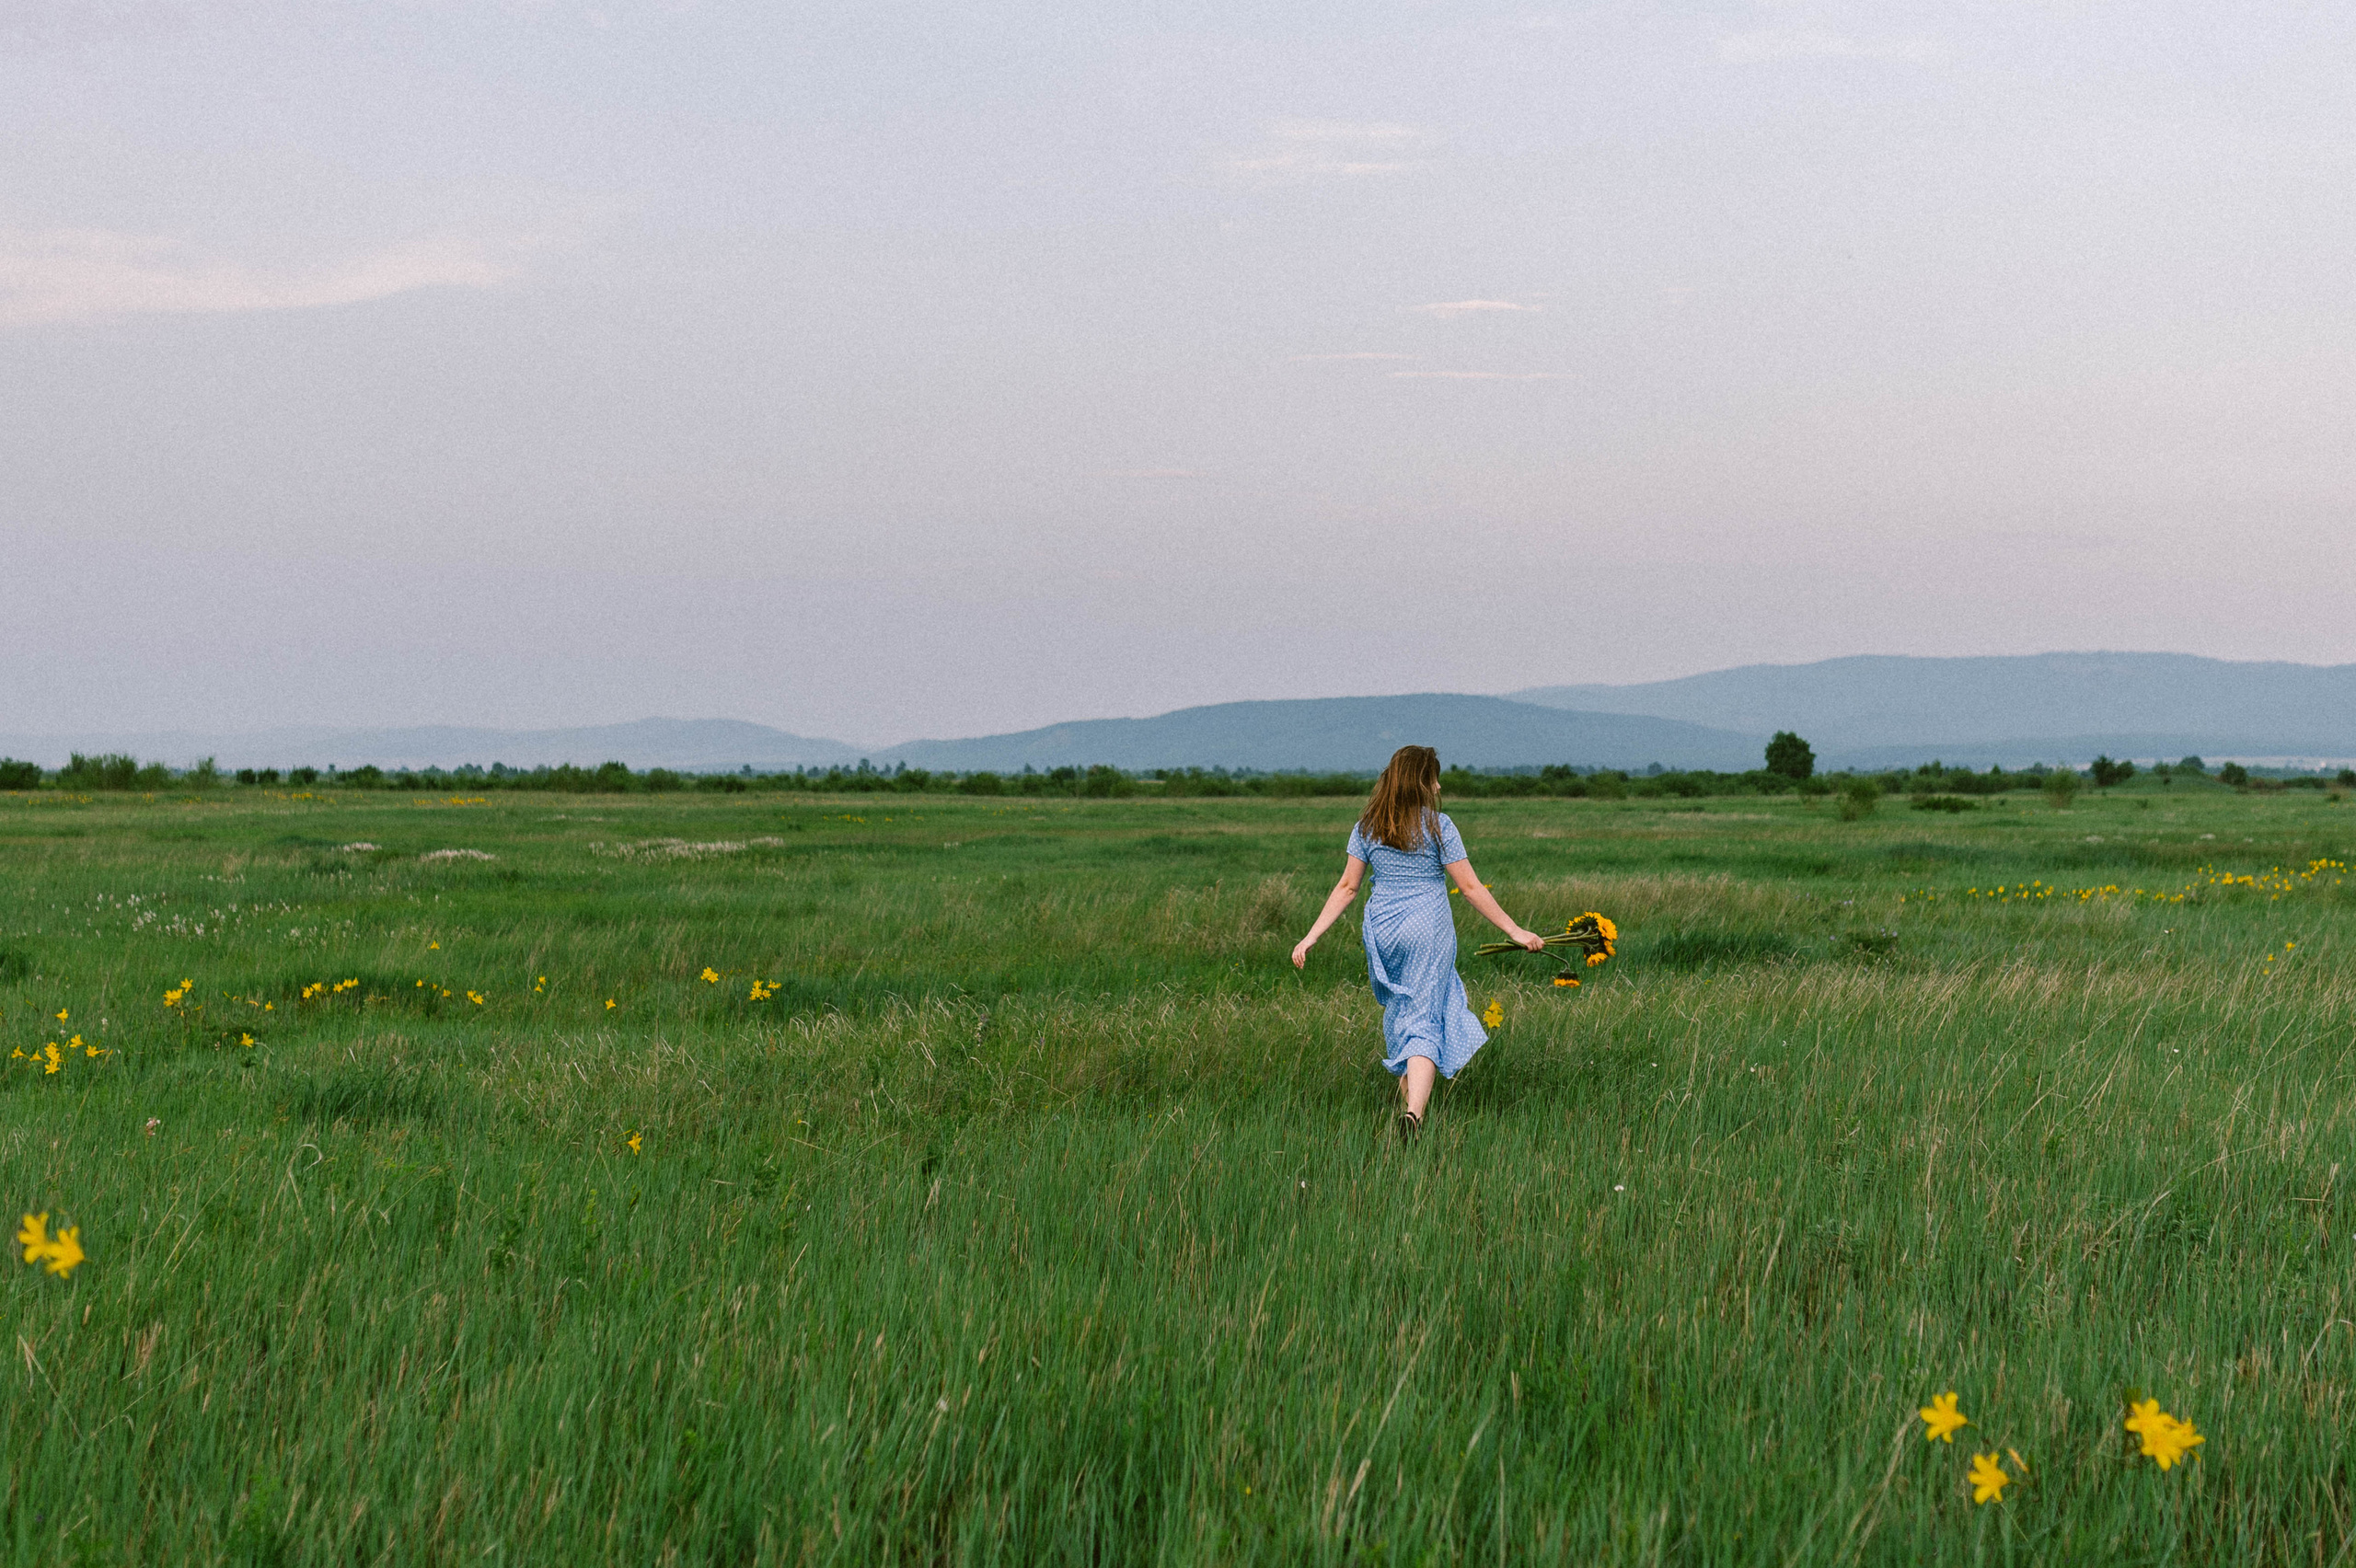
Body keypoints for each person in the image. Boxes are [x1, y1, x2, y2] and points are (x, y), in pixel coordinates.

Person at [1292, 745, 1546, 1142]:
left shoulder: (1368, 826)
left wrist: (1311, 936)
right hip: (1428, 928)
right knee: (1425, 1019)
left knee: (1404, 1014)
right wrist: (1516, 931)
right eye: (1434, 778)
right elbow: (1470, 887)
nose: (1439, 785)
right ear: (1420, 782)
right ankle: (1414, 1116)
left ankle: (1409, 1110)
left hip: (1384, 930)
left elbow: (1347, 887)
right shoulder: (1439, 825)